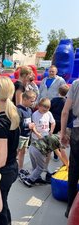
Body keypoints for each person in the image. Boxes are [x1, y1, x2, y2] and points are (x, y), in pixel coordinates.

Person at [0, 76, 20, 225]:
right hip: (11, 167)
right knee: (2, 206)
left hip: (3, 171)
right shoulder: (11, 116)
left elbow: (0, 159)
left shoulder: (0, 123)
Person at [60, 78, 79, 218]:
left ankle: (70, 209)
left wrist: (63, 133)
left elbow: (65, 111)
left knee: (74, 170)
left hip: (78, 130)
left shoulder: (76, 83)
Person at [16, 90, 37, 178]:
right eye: (31, 101)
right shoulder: (18, 110)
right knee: (16, 152)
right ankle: (14, 168)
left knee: (23, 152)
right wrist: (28, 125)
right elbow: (17, 123)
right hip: (20, 135)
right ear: (24, 99)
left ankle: (20, 168)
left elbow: (30, 120)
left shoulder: (29, 110)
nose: (33, 103)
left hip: (26, 135)